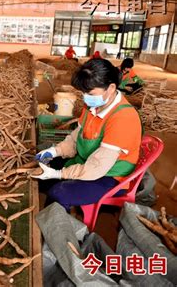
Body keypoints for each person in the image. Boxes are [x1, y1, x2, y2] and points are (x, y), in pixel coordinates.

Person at [32, 59, 142, 211]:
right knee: (42, 170)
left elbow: (97, 167)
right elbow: (77, 136)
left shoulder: (123, 118)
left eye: (90, 93)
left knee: (58, 193)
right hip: (86, 161)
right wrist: (56, 151)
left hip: (109, 176)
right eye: (83, 92)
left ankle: (57, 229)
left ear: (111, 88)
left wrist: (60, 174)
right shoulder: (92, 106)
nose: (85, 97)